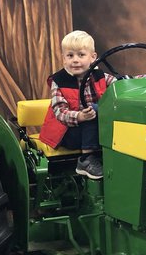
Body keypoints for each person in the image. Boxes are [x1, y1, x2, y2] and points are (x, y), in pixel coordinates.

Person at [38, 30, 114, 180]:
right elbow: (60, 112)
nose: (75, 60)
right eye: (70, 55)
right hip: (66, 133)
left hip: (94, 130)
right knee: (92, 111)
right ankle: (86, 160)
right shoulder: (59, 81)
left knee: (106, 111)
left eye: (81, 55)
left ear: (93, 57)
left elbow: (123, 83)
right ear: (64, 59)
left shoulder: (100, 76)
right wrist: (80, 116)